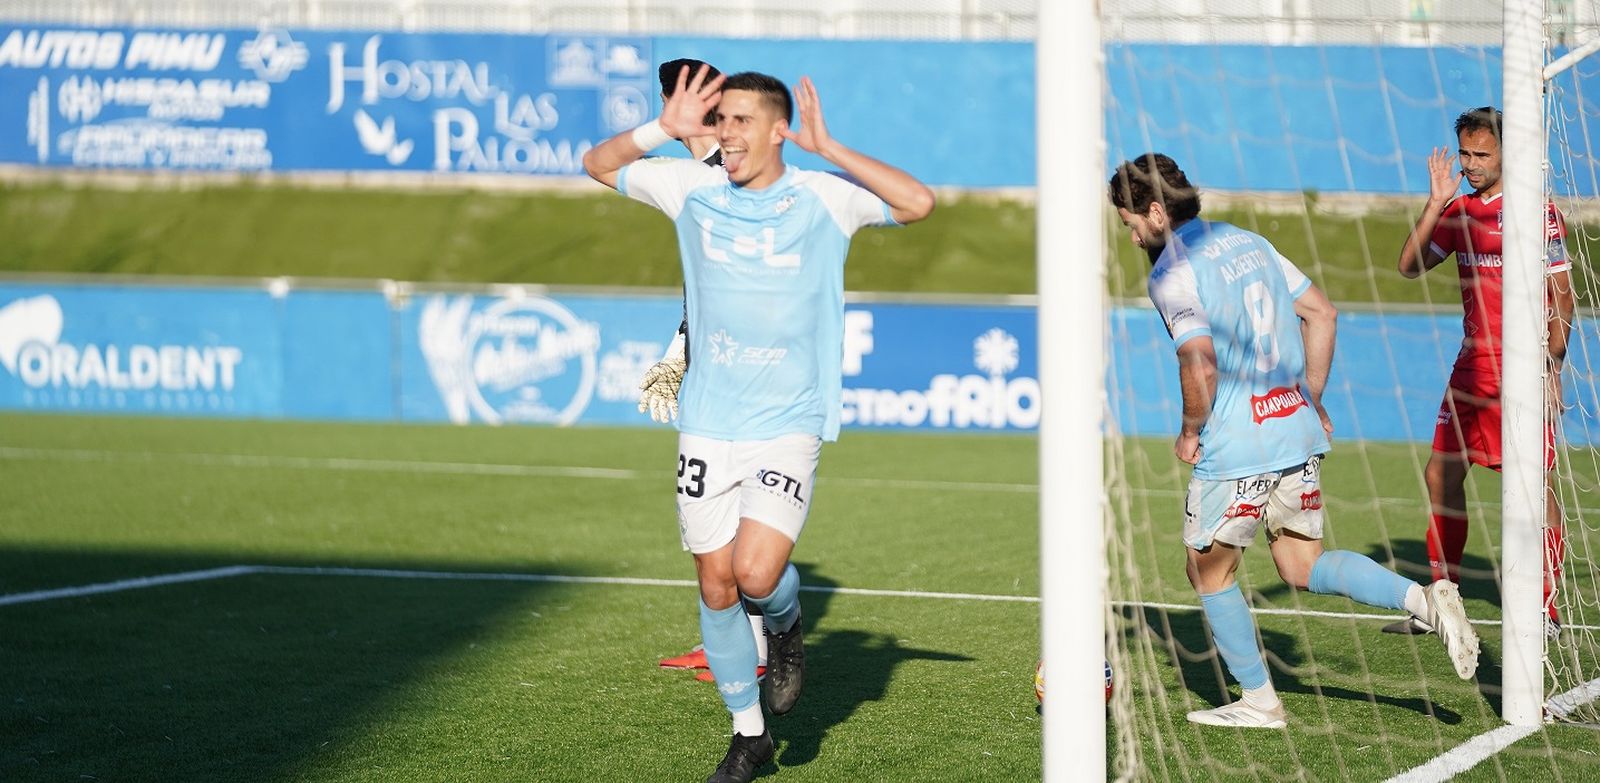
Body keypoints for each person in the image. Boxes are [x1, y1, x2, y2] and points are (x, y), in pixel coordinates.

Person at [583, 66, 934, 780]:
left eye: (740, 120)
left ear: (778, 130)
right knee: (715, 584)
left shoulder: (823, 198)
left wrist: (830, 146)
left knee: (756, 572)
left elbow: (917, 202)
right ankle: (749, 736)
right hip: (708, 420)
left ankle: (786, 622)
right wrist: (661, 129)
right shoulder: (691, 188)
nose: (726, 135)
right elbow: (597, 164)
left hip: (787, 418)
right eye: (719, 122)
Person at [1108, 153, 1479, 729]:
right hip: (1294, 430)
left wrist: (1188, 430)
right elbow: (1323, 314)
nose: (1133, 238)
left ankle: (1260, 700)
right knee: (1301, 563)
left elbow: (1200, 363)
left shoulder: (1173, 272)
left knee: (1208, 572)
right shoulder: (1249, 241)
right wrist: (1310, 396)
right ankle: (1425, 601)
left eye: (1131, 225)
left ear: (1155, 212)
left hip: (1238, 446)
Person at [1386, 106, 1575, 638]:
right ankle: (1443, 598)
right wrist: (1434, 204)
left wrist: (1551, 364)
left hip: (1522, 371)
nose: (1469, 164)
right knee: (1440, 474)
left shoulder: (1538, 213)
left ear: (1507, 154)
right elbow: (1409, 267)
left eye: (1480, 154)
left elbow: (1563, 295)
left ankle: (1545, 604)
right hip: (1470, 369)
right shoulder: (1460, 210)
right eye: (1464, 153)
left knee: (1533, 486)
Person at [638, 58, 772, 685]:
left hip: (753, 371)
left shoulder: (729, 176)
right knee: (712, 514)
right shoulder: (697, 173)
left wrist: (682, 351)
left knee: (738, 514)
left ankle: (761, 650)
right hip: (719, 365)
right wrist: (678, 351)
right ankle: (730, 638)